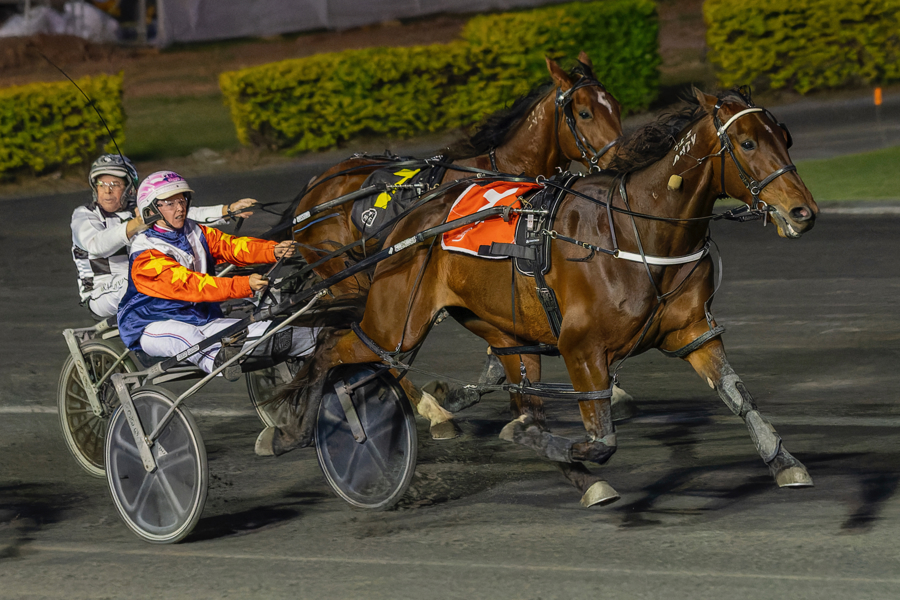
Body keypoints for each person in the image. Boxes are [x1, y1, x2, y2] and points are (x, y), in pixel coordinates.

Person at [117, 170, 317, 379]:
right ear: (150, 210)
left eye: (182, 200)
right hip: (152, 325)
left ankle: (313, 342)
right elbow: (192, 286)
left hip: (203, 319)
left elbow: (231, 246)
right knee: (188, 335)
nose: (180, 208)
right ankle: (219, 362)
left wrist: (272, 250)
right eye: (170, 203)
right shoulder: (145, 253)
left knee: (268, 329)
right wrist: (244, 285)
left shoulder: (196, 231)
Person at [71, 154, 256, 319]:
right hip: (100, 293)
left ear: (128, 188)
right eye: (101, 184)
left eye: (115, 185)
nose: (107, 190)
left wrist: (228, 210)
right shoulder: (84, 215)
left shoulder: (138, 210)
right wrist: (137, 223)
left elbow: (184, 215)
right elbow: (96, 245)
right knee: (144, 276)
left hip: (139, 281)